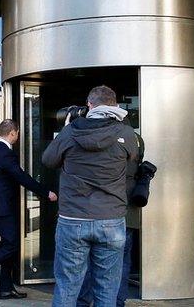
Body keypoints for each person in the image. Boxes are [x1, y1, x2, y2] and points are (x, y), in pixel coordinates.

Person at [42, 85, 140, 307]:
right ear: (115, 105)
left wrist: (67, 128)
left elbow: (48, 160)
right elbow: (132, 159)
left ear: (89, 105)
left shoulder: (71, 131)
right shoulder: (126, 133)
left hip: (73, 219)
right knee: (107, 288)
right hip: (111, 220)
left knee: (67, 286)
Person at [0, 119, 57, 300]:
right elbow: (22, 177)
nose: (17, 137)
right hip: (3, 207)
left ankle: (6, 288)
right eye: (17, 133)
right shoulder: (5, 154)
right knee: (11, 244)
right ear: (13, 133)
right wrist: (46, 192)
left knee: (8, 245)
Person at [76, 128, 144, 307]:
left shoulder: (102, 138)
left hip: (105, 209)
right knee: (122, 261)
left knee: (93, 258)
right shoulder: (137, 140)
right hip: (128, 211)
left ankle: (84, 301)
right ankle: (117, 301)